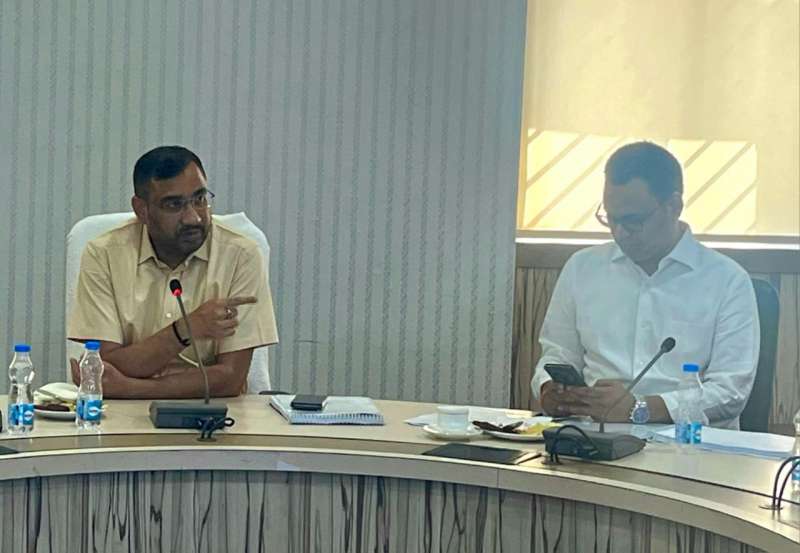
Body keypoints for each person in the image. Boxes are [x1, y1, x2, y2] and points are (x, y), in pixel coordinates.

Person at [531, 141, 759, 429]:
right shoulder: (582, 268)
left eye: (633, 221)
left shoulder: (727, 280)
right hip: (591, 435)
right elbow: (557, 354)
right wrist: (550, 389)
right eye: (610, 219)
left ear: (673, 206)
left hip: (687, 443)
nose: (620, 233)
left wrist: (640, 408)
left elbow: (731, 391)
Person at [68, 145, 278, 398]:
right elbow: (104, 368)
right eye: (174, 205)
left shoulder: (240, 255)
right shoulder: (103, 254)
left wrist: (132, 388)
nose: (193, 218)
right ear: (142, 210)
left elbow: (230, 379)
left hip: (214, 412)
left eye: (200, 199)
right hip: (121, 413)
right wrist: (185, 330)